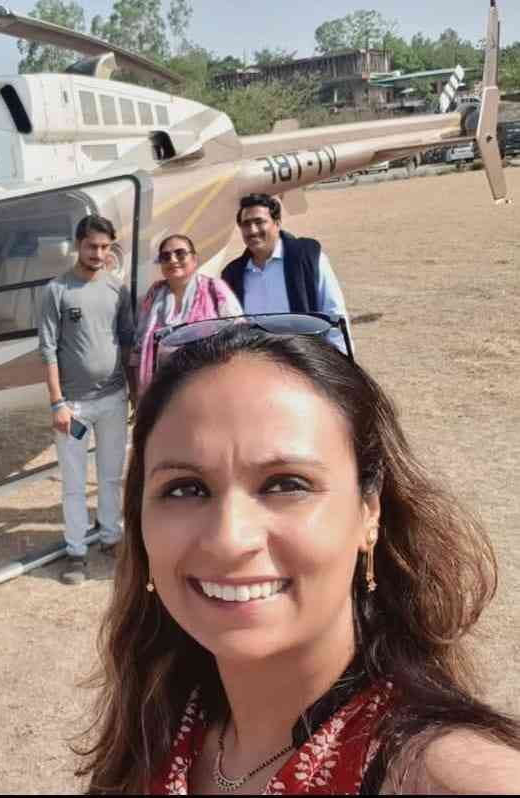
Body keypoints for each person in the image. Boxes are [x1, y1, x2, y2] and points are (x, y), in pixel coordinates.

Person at [78, 317, 520, 794]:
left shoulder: (439, 776)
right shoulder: (157, 727)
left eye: (286, 484)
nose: (229, 538)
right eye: (186, 489)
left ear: (369, 511)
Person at [38, 214, 135, 585]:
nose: (98, 253)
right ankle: (76, 550)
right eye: (92, 245)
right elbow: (47, 350)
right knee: (74, 481)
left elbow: (126, 343)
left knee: (111, 475)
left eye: (105, 247)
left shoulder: (116, 290)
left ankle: (111, 536)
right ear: (78, 244)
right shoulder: (56, 291)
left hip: (113, 399)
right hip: (74, 407)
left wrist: (134, 396)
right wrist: (57, 403)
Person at [222, 193, 350, 352]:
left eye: (259, 222)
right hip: (258, 365)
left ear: (277, 223)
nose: (253, 230)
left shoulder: (307, 258)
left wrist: (340, 360)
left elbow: (334, 312)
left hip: (305, 360)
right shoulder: (232, 274)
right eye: (246, 224)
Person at [130, 234, 242, 399]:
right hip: (162, 392)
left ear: (194, 259)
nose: (173, 260)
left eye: (180, 253)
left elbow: (240, 334)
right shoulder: (154, 294)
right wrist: (136, 392)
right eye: (165, 256)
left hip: (207, 388)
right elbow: (139, 346)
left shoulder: (215, 289)